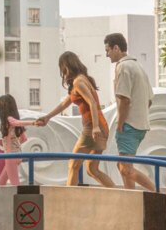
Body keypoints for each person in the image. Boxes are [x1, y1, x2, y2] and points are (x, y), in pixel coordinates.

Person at [35, 52, 116, 188]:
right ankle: (119, 194)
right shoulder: (81, 80)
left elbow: (92, 103)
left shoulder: (78, 82)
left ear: (66, 66)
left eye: (62, 68)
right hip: (101, 127)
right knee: (92, 169)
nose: (63, 73)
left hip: (93, 127)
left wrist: (95, 127)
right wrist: (47, 117)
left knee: (73, 164)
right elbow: (64, 104)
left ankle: (69, 197)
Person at [104, 32, 155, 191]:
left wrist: (120, 123)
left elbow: (124, 99)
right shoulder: (138, 66)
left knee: (125, 168)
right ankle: (131, 197)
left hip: (129, 126)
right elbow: (149, 100)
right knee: (123, 167)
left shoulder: (123, 67)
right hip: (140, 125)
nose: (107, 55)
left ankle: (158, 194)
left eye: (108, 50)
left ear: (116, 48)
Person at [0, 94, 34, 187]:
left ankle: (23, 197)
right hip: (17, 155)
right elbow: (24, 139)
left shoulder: (8, 120)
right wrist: (14, 147)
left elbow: (16, 123)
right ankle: (5, 197)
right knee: (2, 182)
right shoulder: (13, 121)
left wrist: (34, 123)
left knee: (15, 185)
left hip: (10, 156)